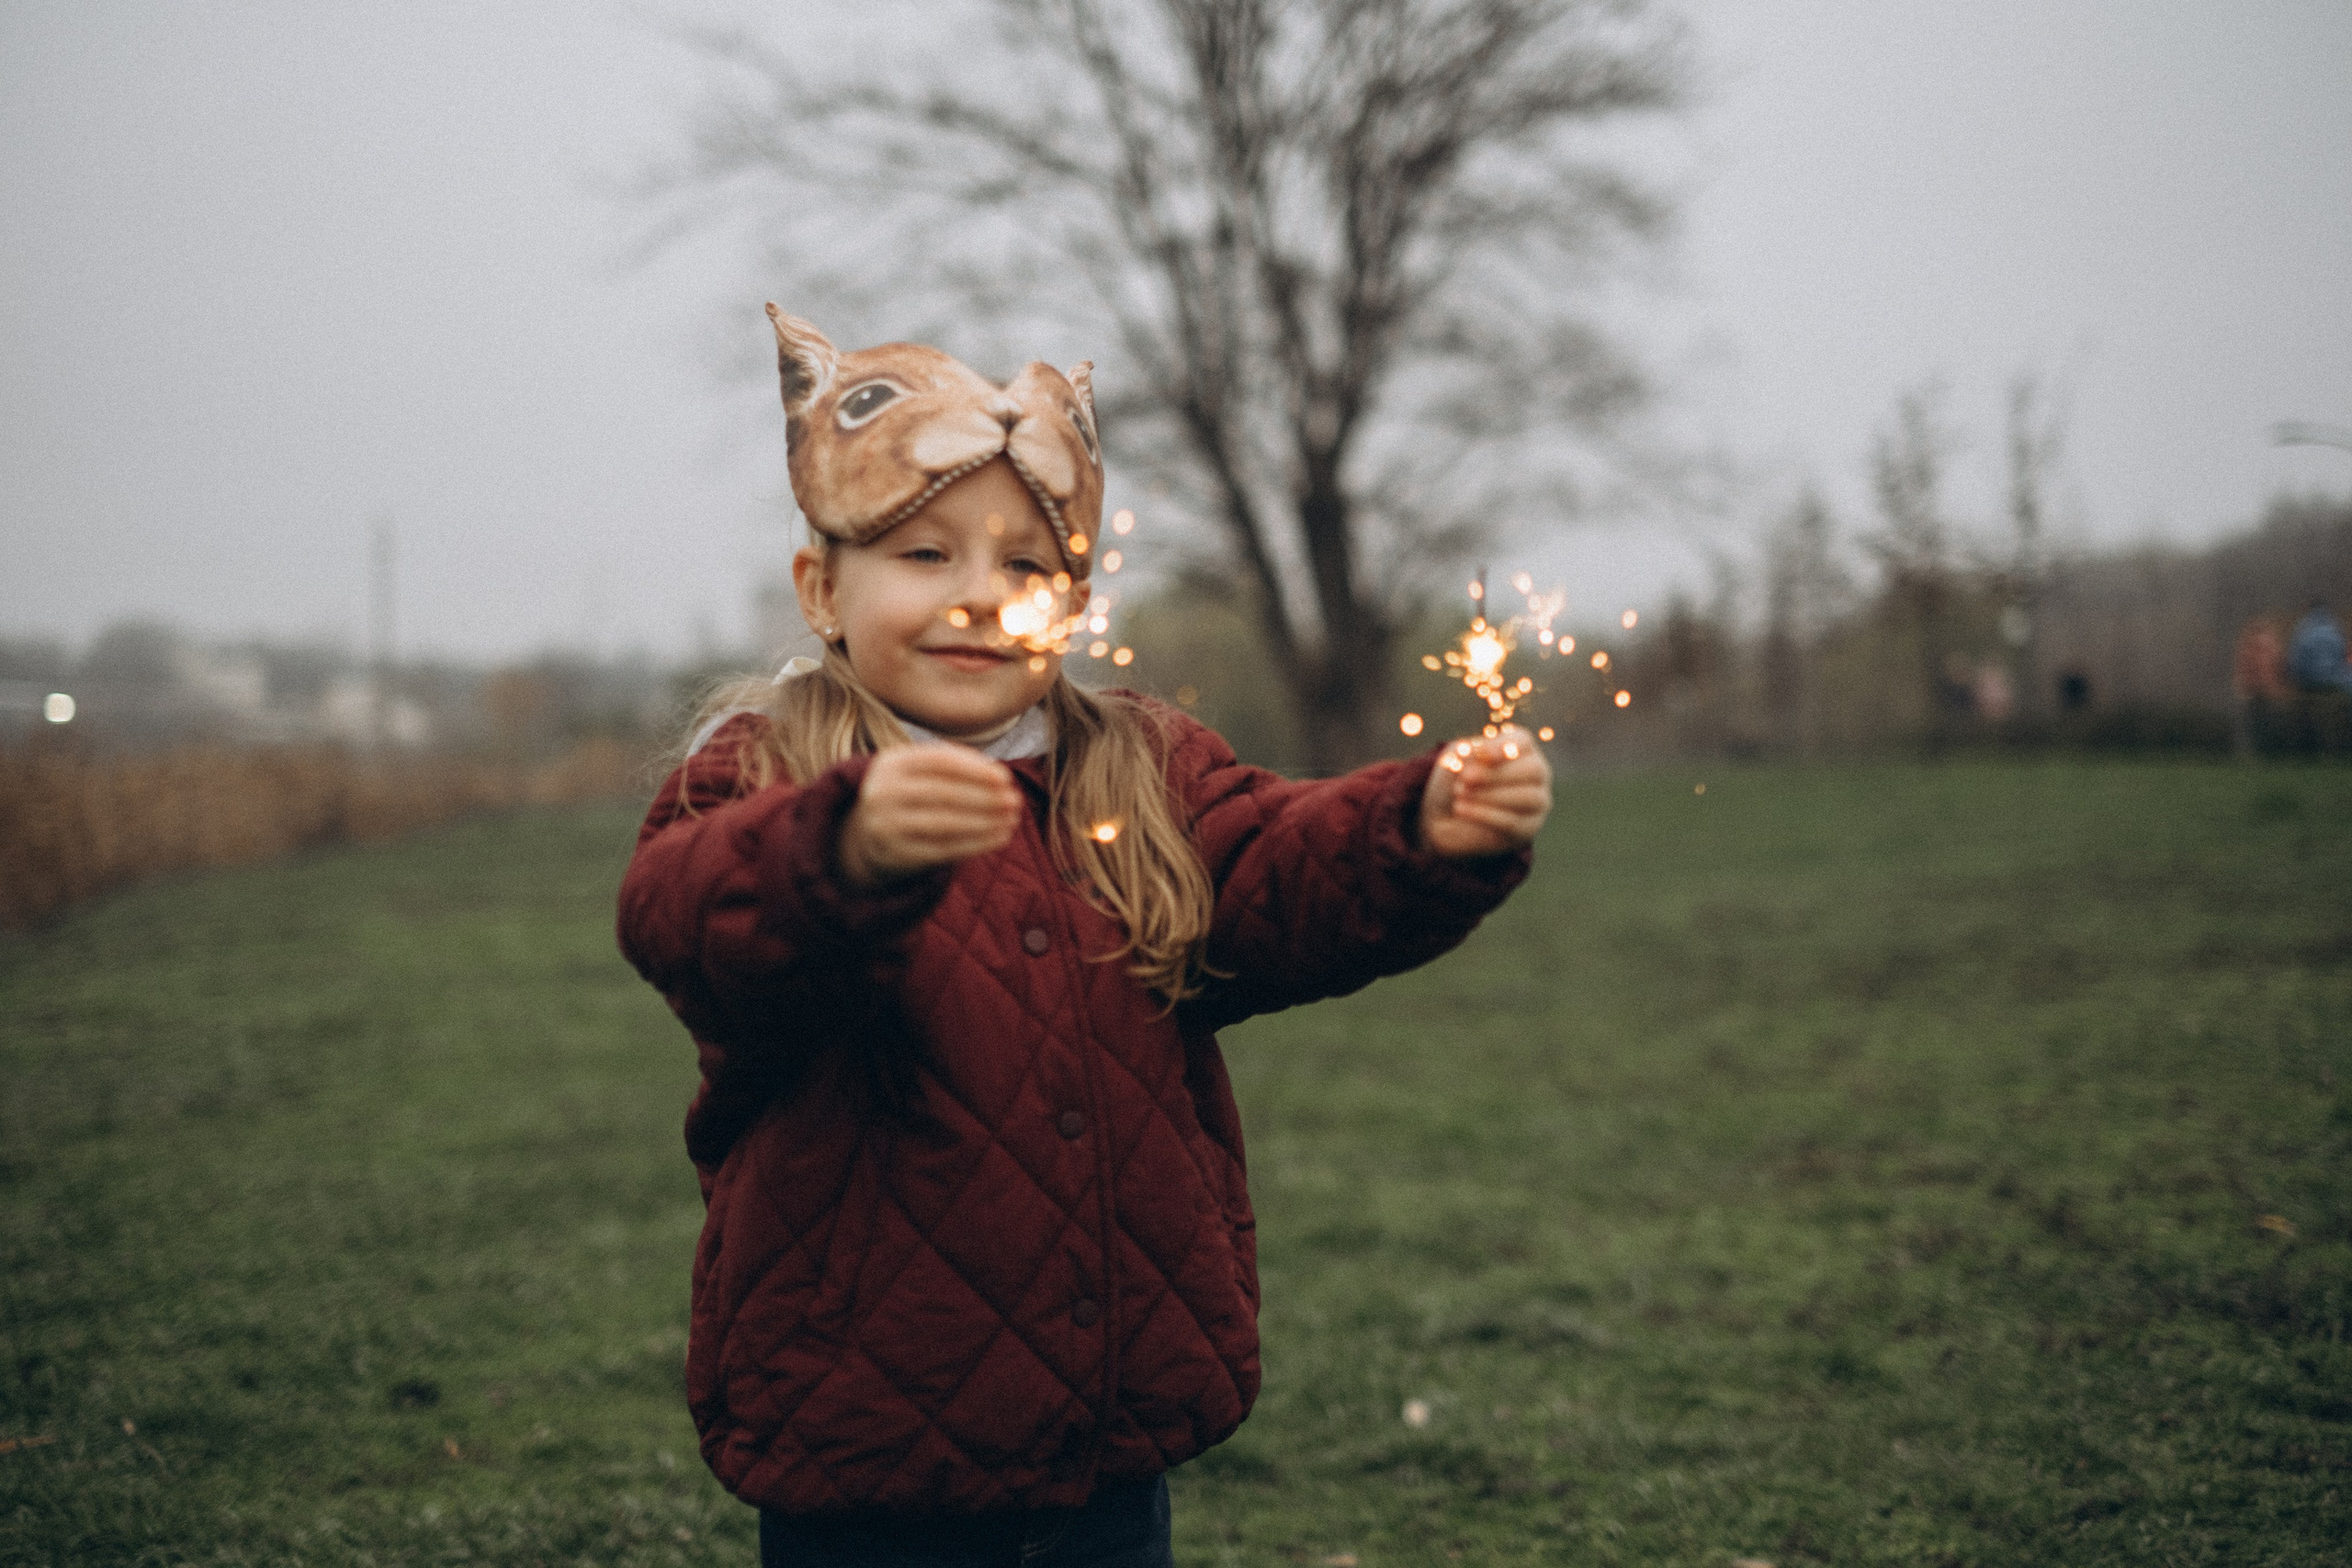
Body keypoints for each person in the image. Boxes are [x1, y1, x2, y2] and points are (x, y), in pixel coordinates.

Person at [616, 308, 1551, 1566]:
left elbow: (1277, 870)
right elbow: (687, 916)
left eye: (1024, 563)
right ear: (823, 589)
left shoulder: (1140, 769)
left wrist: (1424, 823)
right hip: (865, 1442)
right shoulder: (765, 776)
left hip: (1105, 1433)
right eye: (924, 554)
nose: (977, 600)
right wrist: (841, 851)